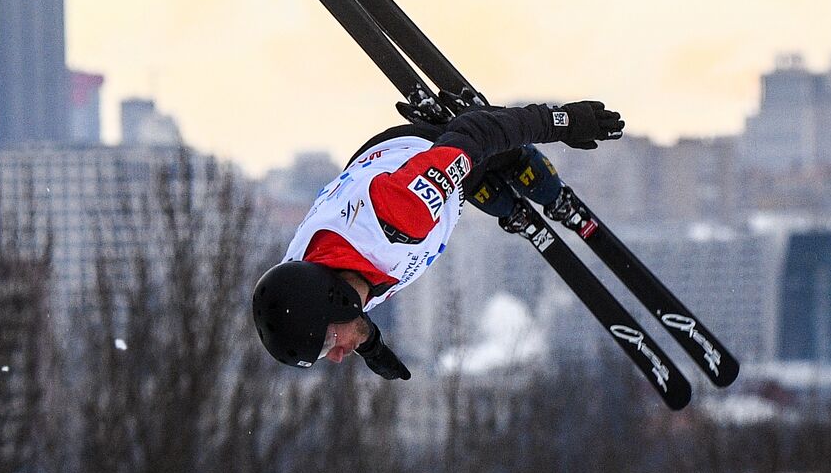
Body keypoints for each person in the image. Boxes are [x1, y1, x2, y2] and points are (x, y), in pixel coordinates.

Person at [251, 101, 625, 378]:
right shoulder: (310, 273)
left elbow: (479, 134)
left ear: (335, 299)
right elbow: (321, 303)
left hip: (431, 156)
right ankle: (503, 203)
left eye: (329, 343)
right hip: (399, 176)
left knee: (510, 162)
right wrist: (369, 345)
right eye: (324, 352)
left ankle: (553, 197)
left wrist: (564, 122)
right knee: (483, 191)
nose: (335, 356)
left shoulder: (400, 216)